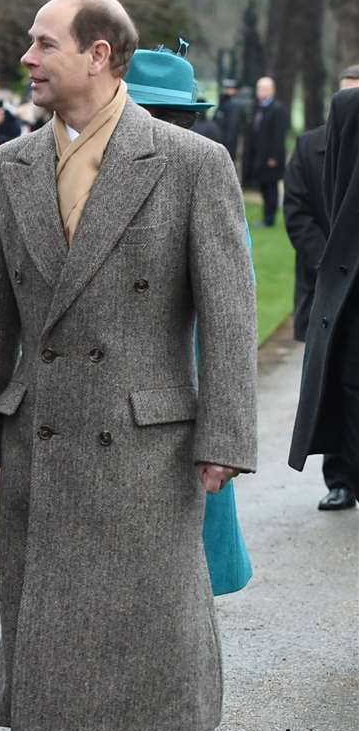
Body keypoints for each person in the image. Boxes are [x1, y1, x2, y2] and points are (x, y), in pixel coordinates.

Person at [0, 0, 257, 731]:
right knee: (47, 657)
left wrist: (225, 436)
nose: (27, 58)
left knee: (146, 639)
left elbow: (231, 314)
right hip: (39, 441)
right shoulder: (7, 169)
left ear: (100, 54)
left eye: (44, 43)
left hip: (143, 447)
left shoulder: (188, 163)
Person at [123, 46, 253, 598]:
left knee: (185, 575)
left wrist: (223, 435)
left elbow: (231, 316)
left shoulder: (203, 172)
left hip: (183, 395)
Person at [284, 66, 359, 511]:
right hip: (328, 279)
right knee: (335, 377)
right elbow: (297, 210)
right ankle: (340, 478)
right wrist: (330, 262)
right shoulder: (311, 145)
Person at [245, 75, 290, 227]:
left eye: (264, 88)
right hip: (260, 157)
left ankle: (269, 220)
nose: (260, 91)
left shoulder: (279, 109)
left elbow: (279, 136)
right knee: (264, 188)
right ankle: (266, 218)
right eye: (259, 88)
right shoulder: (258, 108)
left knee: (271, 189)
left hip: (272, 159)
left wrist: (274, 157)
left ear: (272, 90)